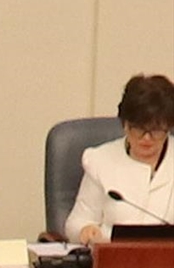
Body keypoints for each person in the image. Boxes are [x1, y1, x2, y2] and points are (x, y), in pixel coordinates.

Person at [64, 74, 174, 245]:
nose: (147, 138)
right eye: (138, 129)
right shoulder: (101, 160)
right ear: (124, 124)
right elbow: (76, 223)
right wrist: (85, 230)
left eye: (156, 130)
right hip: (113, 256)